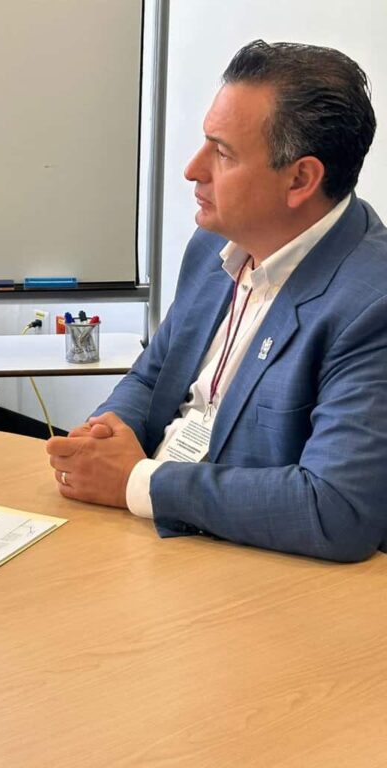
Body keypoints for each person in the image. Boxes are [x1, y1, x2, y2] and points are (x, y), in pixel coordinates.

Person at [46, 40, 387, 562]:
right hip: (147, 533)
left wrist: (137, 481)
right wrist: (107, 433)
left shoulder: (371, 303)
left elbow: (335, 508)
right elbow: (152, 377)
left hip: (251, 567)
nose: (192, 169)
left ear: (300, 179)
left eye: (223, 153)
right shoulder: (213, 244)